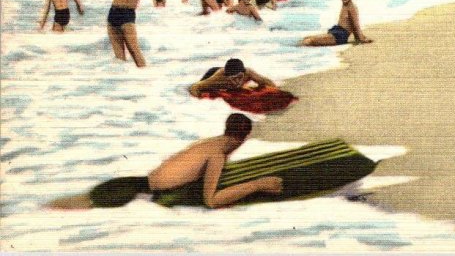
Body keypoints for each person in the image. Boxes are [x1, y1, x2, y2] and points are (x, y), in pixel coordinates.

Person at [47, 114, 282, 209]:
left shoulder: (212, 143)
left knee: (82, 202)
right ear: (242, 138)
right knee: (86, 204)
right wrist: (258, 184)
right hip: (146, 194)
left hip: (140, 183)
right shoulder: (217, 155)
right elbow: (210, 201)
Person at [301, 0, 373, 46]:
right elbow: (351, 24)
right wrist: (356, 37)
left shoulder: (352, 7)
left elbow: (356, 25)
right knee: (305, 38)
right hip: (336, 31)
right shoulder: (345, 4)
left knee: (308, 41)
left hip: (341, 36)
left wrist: (362, 39)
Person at [189, 59, 276, 97]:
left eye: (239, 77)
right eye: (233, 78)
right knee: (207, 89)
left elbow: (266, 81)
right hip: (213, 72)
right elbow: (194, 87)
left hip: (231, 69)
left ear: (243, 73)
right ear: (228, 77)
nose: (237, 81)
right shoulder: (219, 79)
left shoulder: (248, 72)